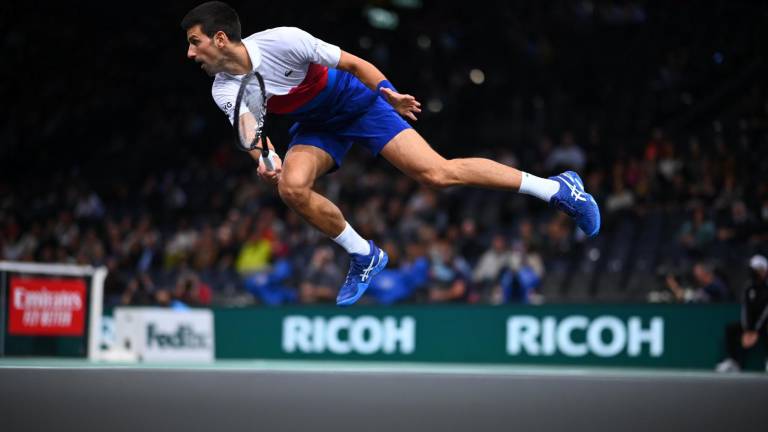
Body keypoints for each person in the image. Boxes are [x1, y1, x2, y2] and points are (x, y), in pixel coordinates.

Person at [180, 2, 601, 306]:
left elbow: (355, 64)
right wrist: (265, 161)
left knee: (437, 174)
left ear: (221, 38)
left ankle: (559, 189)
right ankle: (365, 255)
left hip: (357, 102)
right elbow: (254, 133)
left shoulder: (283, 42)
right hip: (317, 125)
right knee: (290, 187)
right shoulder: (223, 88)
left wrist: (388, 95)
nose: (190, 53)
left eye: (195, 42)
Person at [716, 255, 768, 372]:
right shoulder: (748, 287)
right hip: (750, 325)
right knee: (731, 329)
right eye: (753, 269)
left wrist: (756, 331)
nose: (754, 272)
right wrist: (747, 330)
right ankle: (734, 361)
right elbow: (745, 310)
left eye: (757, 269)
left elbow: (766, 312)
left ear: (764, 270)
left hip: (764, 324)